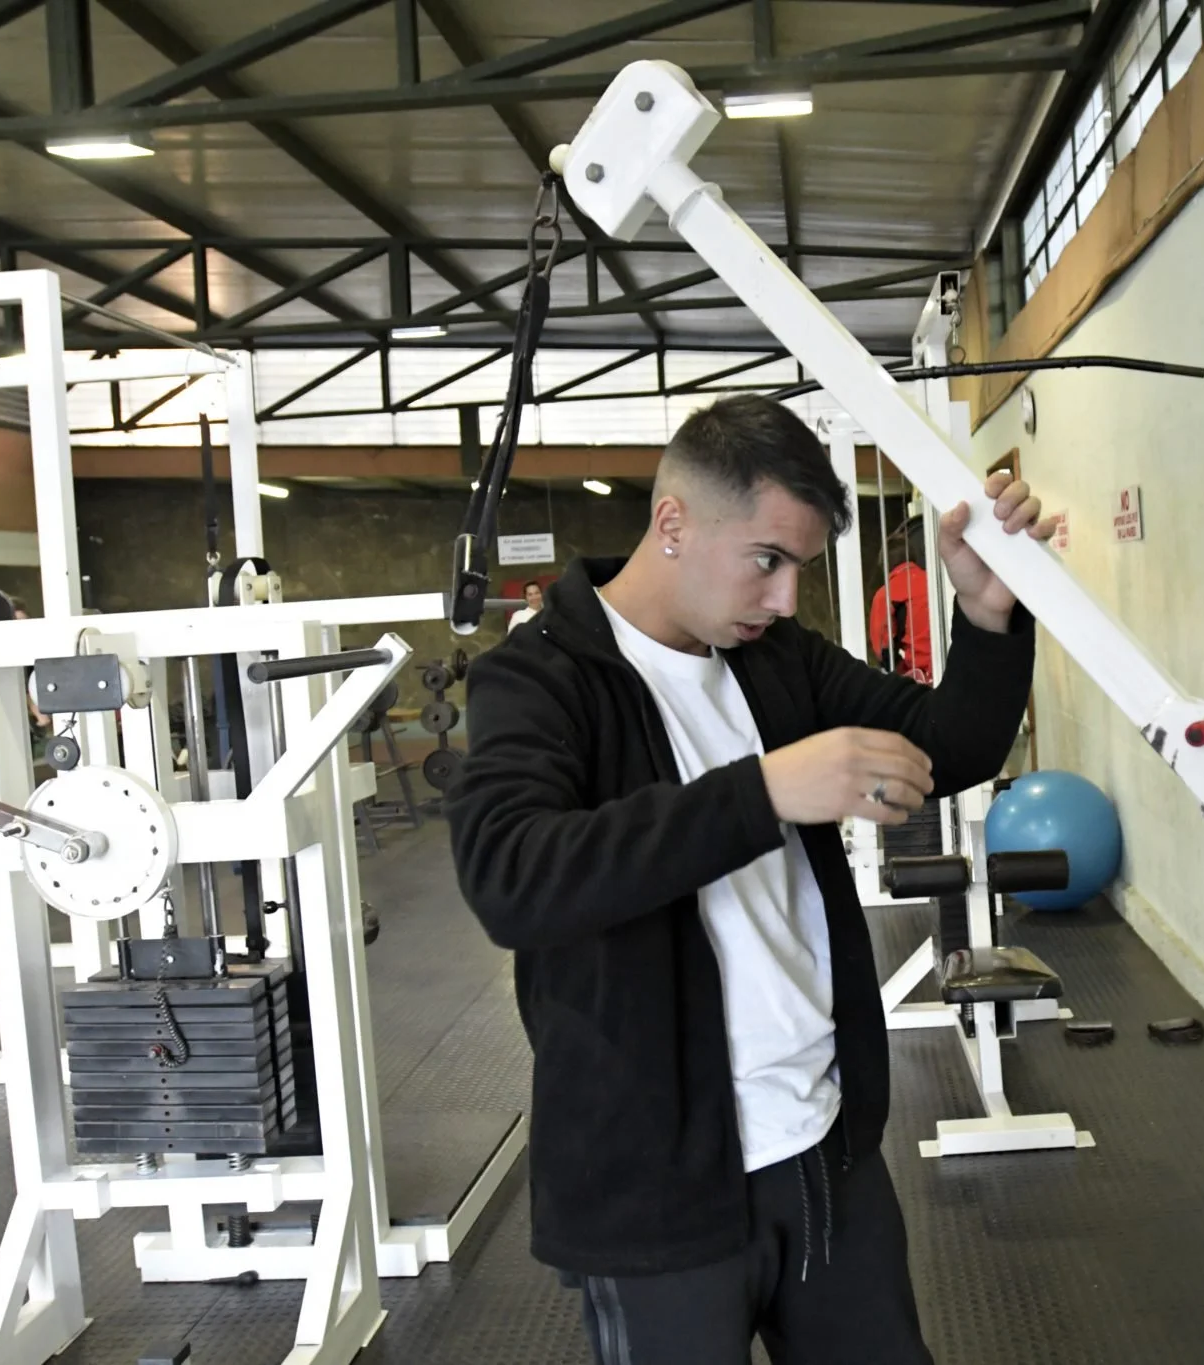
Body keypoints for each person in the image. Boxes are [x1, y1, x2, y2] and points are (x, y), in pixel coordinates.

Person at [446, 394, 1053, 1365]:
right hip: (658, 1192)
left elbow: (949, 745)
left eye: (798, 568)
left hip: (824, 1149)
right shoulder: (540, 678)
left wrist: (985, 616)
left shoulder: (774, 663)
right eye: (767, 560)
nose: (782, 599)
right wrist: (765, 790)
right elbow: (511, 876)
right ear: (673, 522)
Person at [867, 519, 933, 682]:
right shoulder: (935, 581)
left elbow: (883, 651)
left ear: (885, 565)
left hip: (921, 676)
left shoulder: (885, 594)